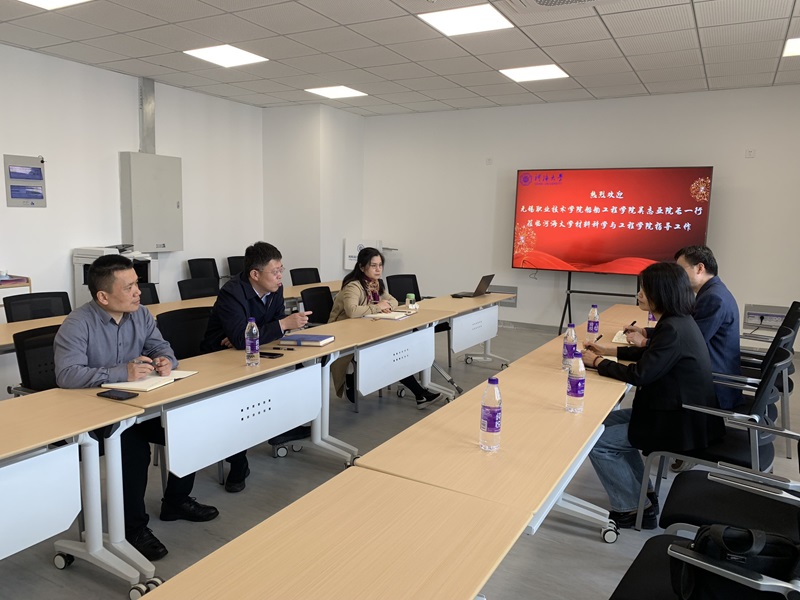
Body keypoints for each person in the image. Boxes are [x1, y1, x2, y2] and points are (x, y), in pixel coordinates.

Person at [54, 255, 218, 561]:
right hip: (95, 412)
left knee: (187, 426)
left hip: (137, 404)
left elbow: (161, 346)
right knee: (133, 449)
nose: (138, 292)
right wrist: (121, 373)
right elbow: (66, 374)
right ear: (103, 296)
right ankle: (133, 529)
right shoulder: (77, 324)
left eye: (137, 284)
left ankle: (176, 502)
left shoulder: (140, 314)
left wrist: (166, 361)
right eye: (128, 287)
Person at [581, 262, 725, 529]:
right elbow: (653, 355)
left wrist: (598, 362)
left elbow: (640, 375)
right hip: (676, 411)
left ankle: (632, 509)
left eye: (644, 289)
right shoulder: (678, 321)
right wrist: (609, 352)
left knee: (598, 443)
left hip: (678, 422)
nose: (639, 294)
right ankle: (643, 493)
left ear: (661, 292)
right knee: (600, 425)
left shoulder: (672, 327)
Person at [202, 241, 310, 492]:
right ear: (255, 274)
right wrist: (280, 326)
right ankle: (239, 463)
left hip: (254, 351)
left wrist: (254, 334)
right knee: (239, 400)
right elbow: (249, 336)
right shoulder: (232, 292)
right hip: (220, 357)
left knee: (297, 369)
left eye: (281, 270)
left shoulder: (275, 289)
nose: (280, 276)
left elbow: (253, 333)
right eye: (275, 271)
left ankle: (281, 428)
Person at [624, 245, 742, 410]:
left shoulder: (713, 298)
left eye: (680, 270)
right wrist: (646, 332)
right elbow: (685, 332)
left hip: (714, 385)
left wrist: (645, 342)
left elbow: (689, 341)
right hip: (708, 373)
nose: (677, 275)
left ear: (700, 268)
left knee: (649, 380)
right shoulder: (712, 291)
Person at [329, 247, 443, 409]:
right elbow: (352, 311)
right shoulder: (353, 286)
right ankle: (419, 393)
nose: (378, 269)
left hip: (365, 329)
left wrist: (383, 305)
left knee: (394, 351)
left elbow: (394, 301)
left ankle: (420, 394)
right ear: (362, 267)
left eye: (380, 265)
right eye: (373, 265)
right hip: (343, 335)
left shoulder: (375, 284)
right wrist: (378, 307)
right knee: (390, 354)